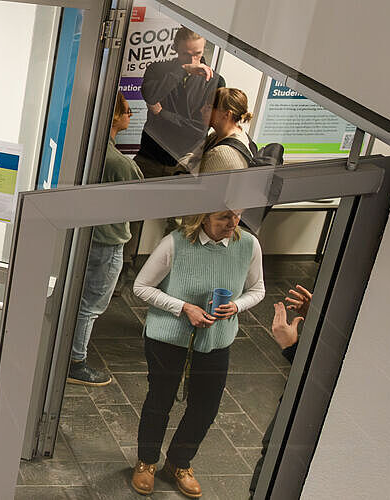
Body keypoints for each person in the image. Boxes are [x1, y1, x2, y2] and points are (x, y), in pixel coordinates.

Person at [129, 209, 265, 498]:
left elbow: (258, 289)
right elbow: (141, 287)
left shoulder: (249, 245)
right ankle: (147, 462)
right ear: (203, 218)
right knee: (159, 400)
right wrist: (183, 308)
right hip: (168, 338)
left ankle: (179, 463)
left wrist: (237, 306)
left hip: (216, 339)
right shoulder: (174, 243)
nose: (233, 223)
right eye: (224, 217)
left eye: (237, 216)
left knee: (206, 407)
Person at [66, 94, 144, 387]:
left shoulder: (87, 150)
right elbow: (141, 202)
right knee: (91, 306)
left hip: (86, 238)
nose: (131, 116)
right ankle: (76, 362)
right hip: (107, 243)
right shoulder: (119, 163)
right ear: (114, 118)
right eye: (127, 111)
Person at [135, 27, 226, 178]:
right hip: (150, 157)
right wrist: (182, 70)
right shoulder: (157, 70)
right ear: (175, 48)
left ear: (204, 49)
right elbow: (151, 97)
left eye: (197, 54)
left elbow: (200, 129)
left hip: (185, 165)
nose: (192, 60)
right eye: (186, 54)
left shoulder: (215, 81)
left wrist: (161, 113)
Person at [249, 284, 311, 495]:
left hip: (305, 411)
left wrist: (291, 346)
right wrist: (317, 320)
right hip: (298, 405)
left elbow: (323, 376)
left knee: (277, 453)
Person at [191, 88, 254, 174]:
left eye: (209, 107)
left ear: (227, 114)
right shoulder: (216, 136)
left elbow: (191, 179)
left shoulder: (220, 154)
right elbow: (192, 159)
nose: (202, 110)